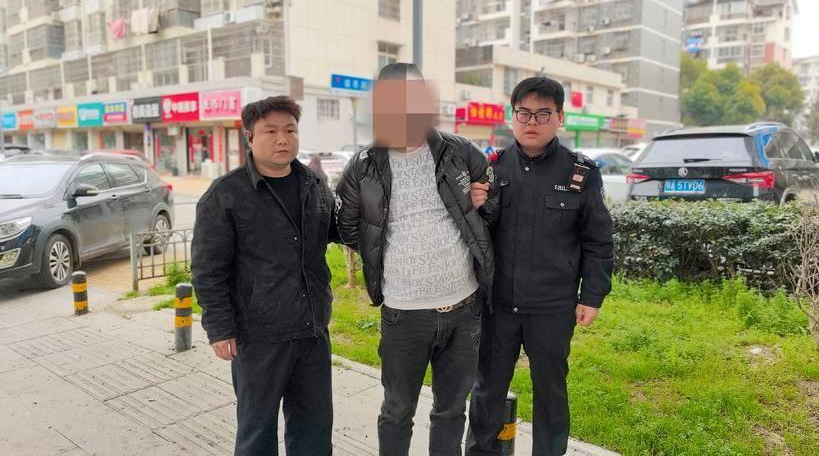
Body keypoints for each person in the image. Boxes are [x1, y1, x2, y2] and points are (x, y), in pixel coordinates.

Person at [335, 62, 497, 456]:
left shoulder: (459, 151)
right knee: (397, 410)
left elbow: (495, 204)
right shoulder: (363, 166)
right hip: (404, 314)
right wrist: (393, 261)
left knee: (451, 410)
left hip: (464, 309)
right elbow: (349, 228)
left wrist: (484, 200)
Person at [467, 77, 614, 456]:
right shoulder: (490, 169)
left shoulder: (580, 173)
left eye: (543, 113)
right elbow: (473, 235)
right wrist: (474, 206)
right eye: (524, 113)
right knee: (487, 389)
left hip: (552, 306)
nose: (532, 122)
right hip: (498, 304)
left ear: (560, 118)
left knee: (550, 391)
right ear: (512, 116)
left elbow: (597, 241)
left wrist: (592, 296)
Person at [191, 95, 339, 456]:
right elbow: (208, 269)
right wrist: (219, 328)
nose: (282, 139)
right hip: (258, 336)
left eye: (290, 130)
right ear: (250, 136)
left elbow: (337, 231)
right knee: (256, 431)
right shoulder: (225, 194)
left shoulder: (314, 184)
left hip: (312, 331)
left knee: (315, 430)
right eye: (270, 131)